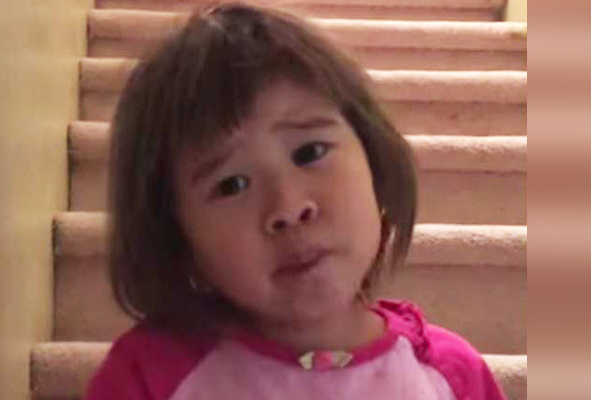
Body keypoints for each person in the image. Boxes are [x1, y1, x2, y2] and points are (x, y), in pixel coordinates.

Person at [86, 3, 507, 399]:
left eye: (310, 152)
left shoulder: (451, 376)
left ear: (375, 163)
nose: (288, 208)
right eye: (231, 185)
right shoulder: (150, 375)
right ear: (177, 236)